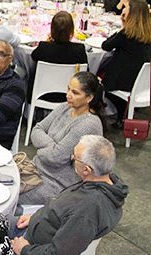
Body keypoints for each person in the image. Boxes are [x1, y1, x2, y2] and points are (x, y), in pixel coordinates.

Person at [11, 136, 127, 255]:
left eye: (75, 157)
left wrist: (24, 250)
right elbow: (64, 211)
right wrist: (36, 217)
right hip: (39, 232)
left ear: (86, 170)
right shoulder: (106, 183)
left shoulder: (87, 210)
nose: (71, 157)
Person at [20, 72, 106, 206]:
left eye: (75, 93)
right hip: (36, 169)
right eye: (68, 89)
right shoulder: (66, 107)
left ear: (89, 98)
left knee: (12, 194)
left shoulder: (88, 124)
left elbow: (55, 157)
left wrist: (41, 149)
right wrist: (52, 146)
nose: (68, 95)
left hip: (58, 183)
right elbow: (36, 129)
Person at [101, 0, 151, 121]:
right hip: (140, 78)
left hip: (123, 81)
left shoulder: (126, 33)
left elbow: (106, 46)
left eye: (126, 7)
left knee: (99, 72)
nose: (124, 10)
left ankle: (116, 111)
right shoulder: (149, 31)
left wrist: (122, 27)